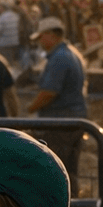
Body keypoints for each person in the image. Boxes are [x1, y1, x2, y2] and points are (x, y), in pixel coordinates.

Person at [26, 15, 89, 195]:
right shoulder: (69, 53)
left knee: (55, 165)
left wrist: (31, 109)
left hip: (60, 121)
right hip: (74, 118)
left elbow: (49, 93)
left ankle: (58, 203)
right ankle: (72, 203)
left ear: (51, 34)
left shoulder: (59, 58)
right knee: (69, 167)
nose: (39, 41)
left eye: (41, 37)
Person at [0, 0, 23, 66]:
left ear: (2, 7)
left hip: (4, 44)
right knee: (13, 63)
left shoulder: (2, 17)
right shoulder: (16, 16)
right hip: (15, 43)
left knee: (5, 63)